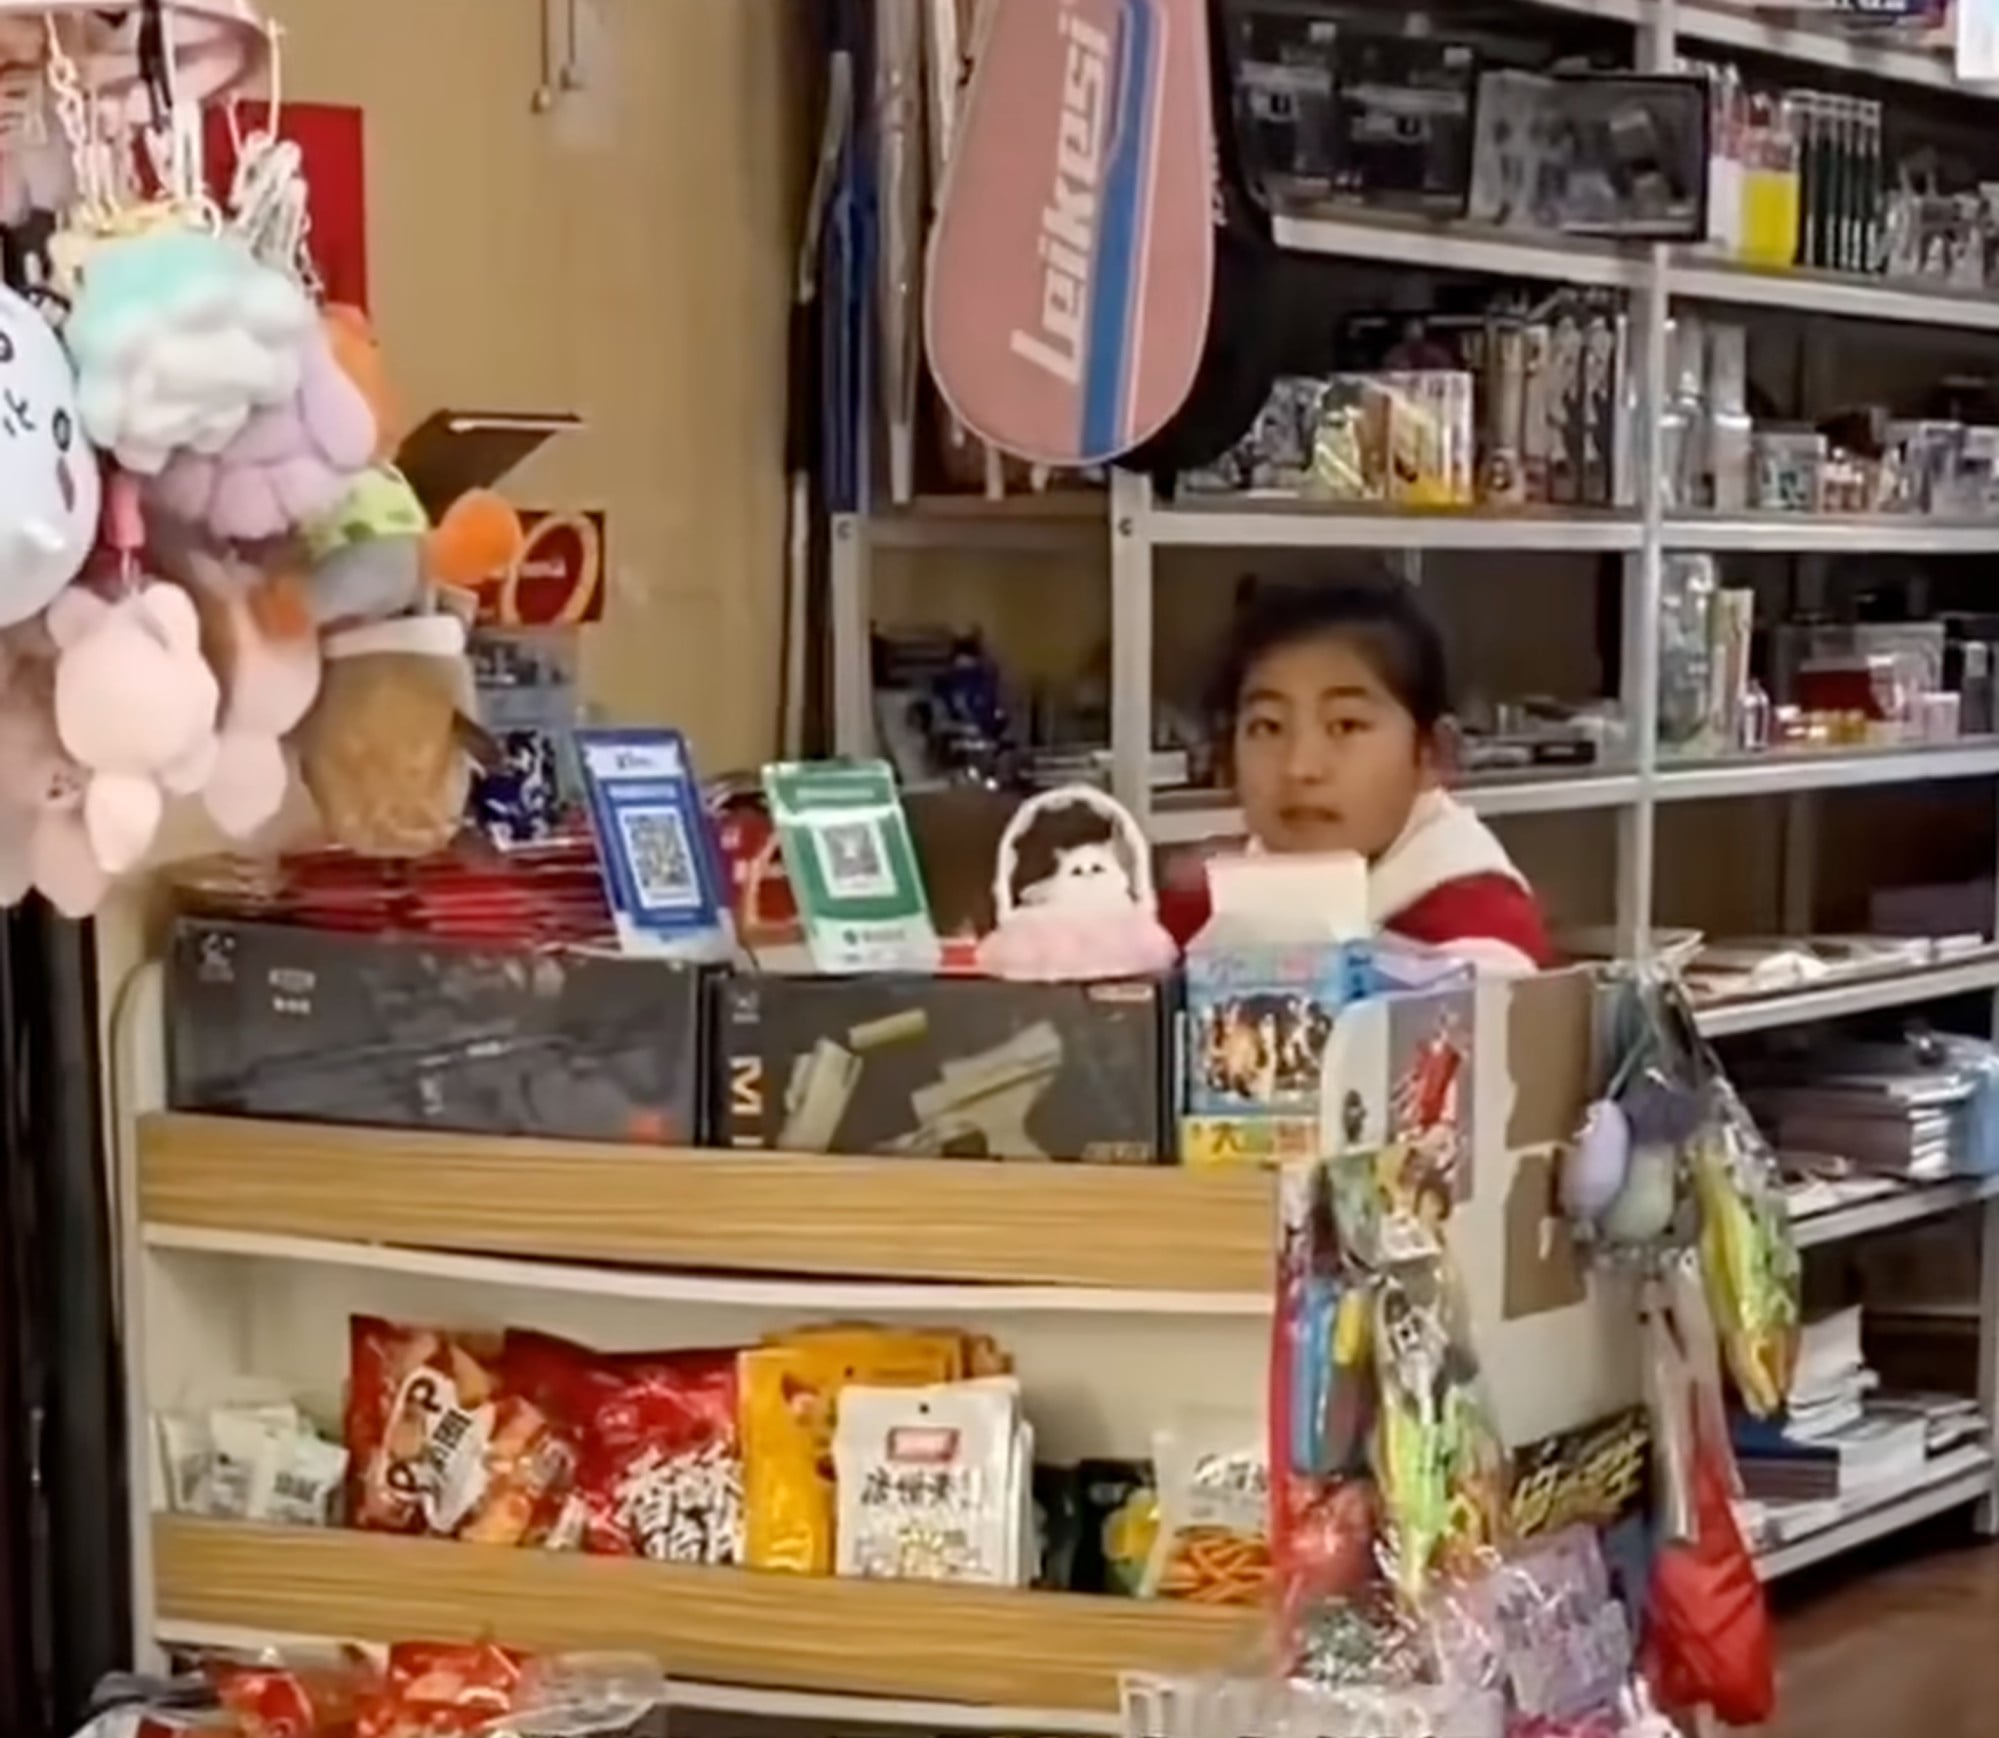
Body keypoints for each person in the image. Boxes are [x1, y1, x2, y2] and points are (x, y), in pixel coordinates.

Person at [1159, 579, 1553, 973]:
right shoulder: (1204, 909)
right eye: (1268, 726)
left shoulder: (1479, 932)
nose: (1300, 768)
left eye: (1346, 725)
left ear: (1432, 754)